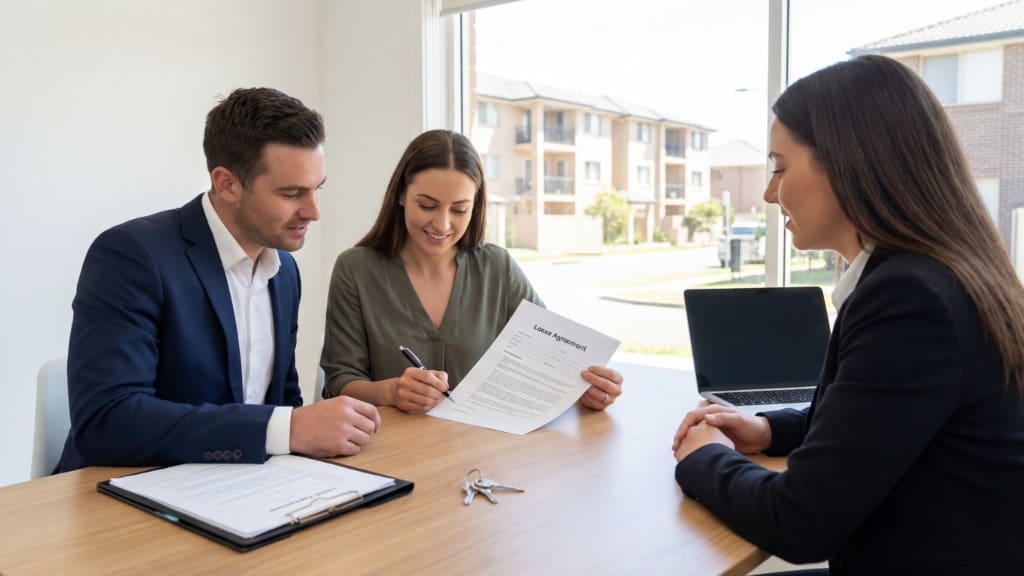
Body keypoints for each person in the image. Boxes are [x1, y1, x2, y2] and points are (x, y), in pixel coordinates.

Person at [672, 55, 1024, 575]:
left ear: (847, 163)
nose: (769, 193)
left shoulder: (908, 299)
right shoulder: (941, 274)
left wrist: (703, 456)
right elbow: (876, 425)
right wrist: (767, 430)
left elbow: (797, 521)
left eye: (780, 167)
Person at [56, 87, 381, 473]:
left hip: (237, 486)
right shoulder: (132, 255)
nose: (313, 211)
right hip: (123, 490)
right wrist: (288, 428)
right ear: (226, 183)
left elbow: (281, 401)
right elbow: (107, 422)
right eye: (292, 193)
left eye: (317, 189)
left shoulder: (284, 271)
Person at [320, 129, 622, 414]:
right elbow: (340, 382)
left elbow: (549, 358)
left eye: (459, 209)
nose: (442, 224)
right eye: (427, 205)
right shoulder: (355, 270)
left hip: (484, 446)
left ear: (475, 206)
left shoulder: (498, 268)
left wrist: (584, 388)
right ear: (400, 195)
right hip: (390, 445)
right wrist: (391, 392)